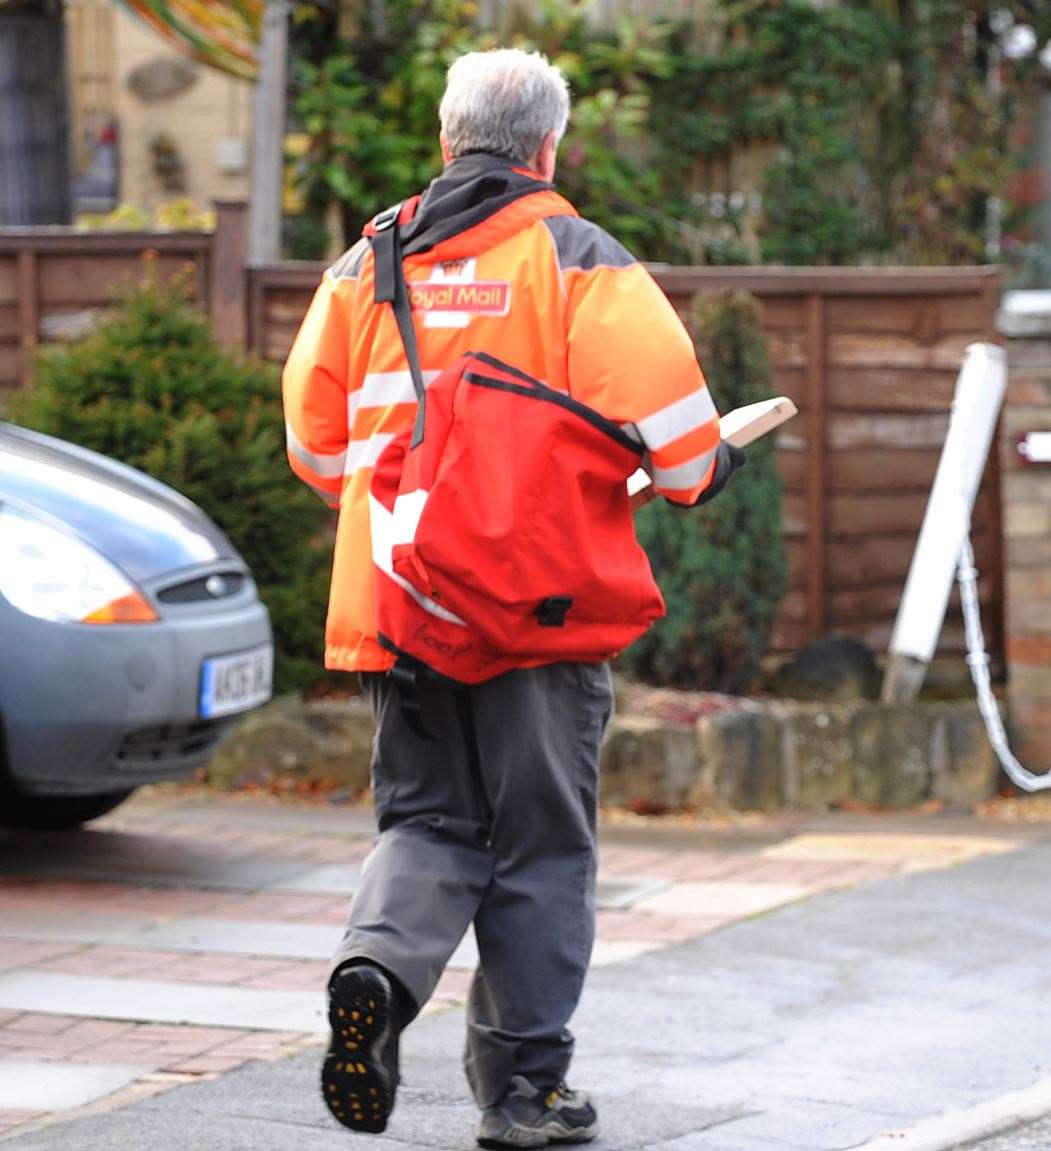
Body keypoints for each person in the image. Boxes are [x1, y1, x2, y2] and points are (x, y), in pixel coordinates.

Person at [282, 47, 742, 1148]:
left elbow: (312, 442)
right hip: (538, 612)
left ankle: (378, 974)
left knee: (429, 818)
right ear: (547, 148)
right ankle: (525, 1094)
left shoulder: (362, 265)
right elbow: (682, 455)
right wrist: (703, 465)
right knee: (538, 846)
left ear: (446, 142)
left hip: (402, 603)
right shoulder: (581, 261)